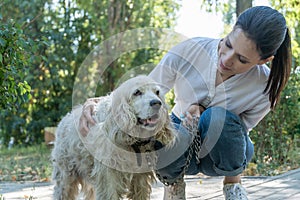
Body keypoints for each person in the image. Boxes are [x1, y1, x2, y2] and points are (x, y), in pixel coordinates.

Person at [79, 6, 291, 200]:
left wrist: (203, 110)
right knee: (163, 128)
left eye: (242, 60)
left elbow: (239, 132)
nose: (226, 59)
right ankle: (173, 184)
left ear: (264, 60)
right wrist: (96, 102)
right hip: (177, 149)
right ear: (231, 29)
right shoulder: (189, 50)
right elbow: (142, 90)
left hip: (220, 157)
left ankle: (233, 187)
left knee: (218, 116)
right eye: (227, 45)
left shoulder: (265, 86)